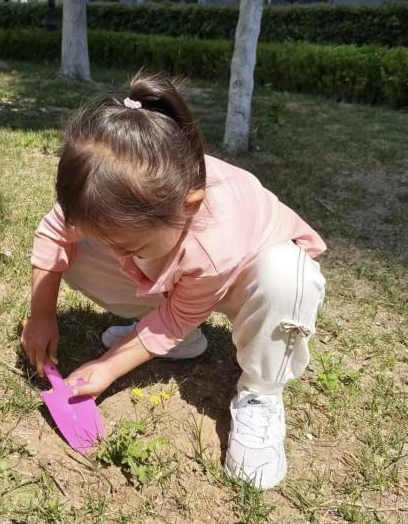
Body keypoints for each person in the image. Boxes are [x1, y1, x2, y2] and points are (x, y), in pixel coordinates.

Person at [20, 71, 326, 490]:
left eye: (129, 246)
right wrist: (41, 313)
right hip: (183, 270)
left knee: (285, 278)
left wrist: (110, 367)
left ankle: (262, 391)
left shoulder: (216, 241)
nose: (120, 257)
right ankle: (181, 346)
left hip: (249, 280)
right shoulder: (106, 190)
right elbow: (55, 233)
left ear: (189, 206)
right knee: (74, 254)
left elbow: (179, 313)